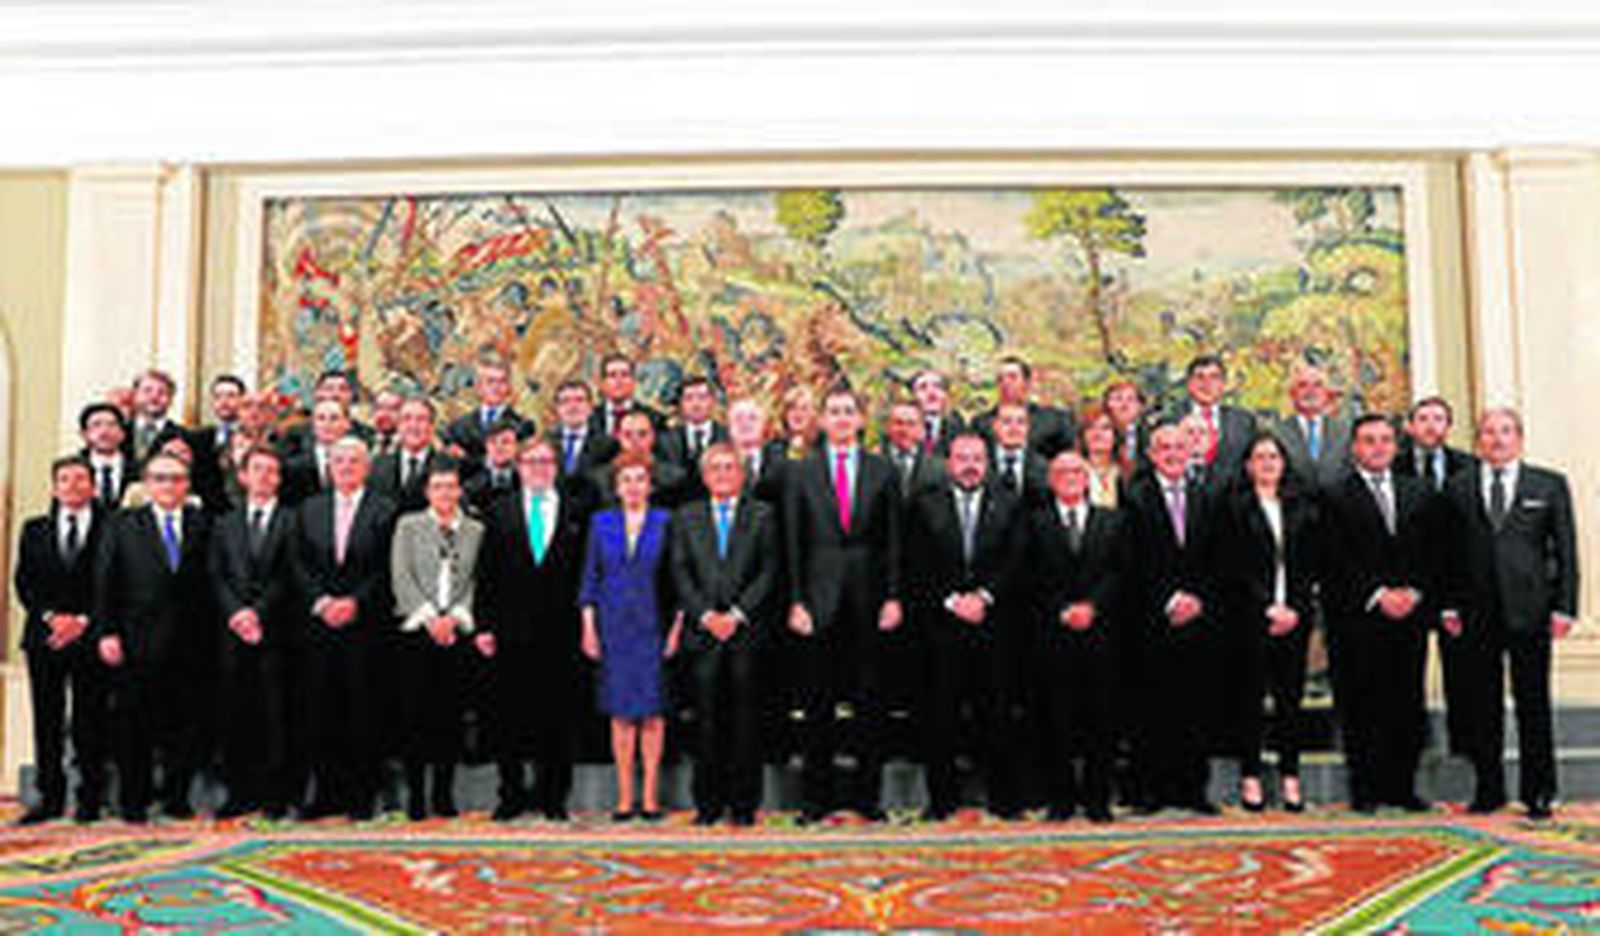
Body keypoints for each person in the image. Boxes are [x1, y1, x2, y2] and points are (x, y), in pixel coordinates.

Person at [1439, 408, 1580, 820]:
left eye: (1505, 432)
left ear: (1519, 437)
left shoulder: (1549, 484)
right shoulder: (1458, 487)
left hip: (1532, 613)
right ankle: (1489, 790)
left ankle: (1539, 791)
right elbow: (1446, 555)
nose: (1497, 440)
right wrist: (1447, 604)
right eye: (1488, 432)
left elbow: (1566, 552)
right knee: (1482, 707)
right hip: (1475, 612)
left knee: (1532, 704)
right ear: (1478, 440)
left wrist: (1565, 607)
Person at [784, 386, 903, 823]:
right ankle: (814, 800)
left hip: (870, 603)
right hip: (817, 604)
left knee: (870, 704)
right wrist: (796, 600)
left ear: (860, 420)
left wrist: (893, 597)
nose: (840, 418)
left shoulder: (883, 471)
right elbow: (793, 543)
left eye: (848, 412)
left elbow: (893, 541)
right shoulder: (801, 473)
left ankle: (868, 800)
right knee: (818, 705)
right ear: (822, 420)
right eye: (832, 412)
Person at [1320, 414, 1437, 813]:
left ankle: (1402, 787)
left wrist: (1414, 592)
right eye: (1369, 440)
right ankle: (1366, 789)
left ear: (1396, 445)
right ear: (1354, 447)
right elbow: (1333, 558)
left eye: (1385, 440)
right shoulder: (1333, 494)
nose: (1378, 447)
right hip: (1358, 617)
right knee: (1362, 704)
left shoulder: (1419, 492)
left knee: (1405, 702)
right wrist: (1378, 594)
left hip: (1410, 617)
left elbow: (1433, 552)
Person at [905, 433, 1025, 821]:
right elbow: (915, 563)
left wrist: (984, 597)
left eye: (977, 458)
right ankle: (942, 801)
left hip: (995, 625)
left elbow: (1017, 560)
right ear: (948, 463)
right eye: (962, 458)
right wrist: (953, 601)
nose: (970, 465)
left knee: (997, 714)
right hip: (942, 627)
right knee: (941, 716)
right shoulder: (924, 505)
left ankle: (1005, 799)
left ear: (987, 463)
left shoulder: (1010, 503)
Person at [92, 453, 212, 822]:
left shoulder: (203, 523)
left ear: (187, 485)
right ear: (146, 484)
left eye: (176, 479)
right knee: (133, 726)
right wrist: (106, 631)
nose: (169, 486)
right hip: (135, 641)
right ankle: (134, 801)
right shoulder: (123, 524)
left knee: (185, 725)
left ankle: (176, 798)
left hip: (192, 643)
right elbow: (105, 581)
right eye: (160, 478)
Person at [478, 438, 592, 822]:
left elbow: (585, 575)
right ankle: (510, 794)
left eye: (545, 461)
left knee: (557, 717)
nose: (538, 468)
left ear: (556, 467)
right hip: (510, 631)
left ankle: (553, 795)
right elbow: (486, 574)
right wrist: (484, 626)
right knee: (508, 716)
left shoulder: (578, 511)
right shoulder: (499, 511)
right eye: (530, 461)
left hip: (562, 632)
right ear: (519, 467)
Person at [670, 444, 779, 827]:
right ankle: (708, 804)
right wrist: (705, 615)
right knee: (705, 723)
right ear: (703, 475)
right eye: (714, 468)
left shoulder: (764, 515)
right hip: (702, 638)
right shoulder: (686, 517)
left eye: (729, 467)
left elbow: (769, 571)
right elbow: (679, 572)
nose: (722, 474)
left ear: (743, 474)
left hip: (746, 633)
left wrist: (736, 614)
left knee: (746, 723)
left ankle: (745, 804)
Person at [291, 436, 397, 820]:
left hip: (365, 627)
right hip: (318, 628)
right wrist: (321, 602)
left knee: (362, 713)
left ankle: (361, 795)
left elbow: (386, 567)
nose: (347, 467)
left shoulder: (386, 509)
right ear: (329, 467)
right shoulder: (309, 509)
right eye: (339, 461)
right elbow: (298, 563)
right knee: (320, 712)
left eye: (354, 461)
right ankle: (324, 795)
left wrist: (355, 602)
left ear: (367, 467)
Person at [1121, 423, 1224, 814]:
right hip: (1151, 620)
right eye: (1163, 448)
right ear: (1151, 454)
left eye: (1179, 447)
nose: (1172, 454)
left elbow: (1219, 559)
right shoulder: (1134, 498)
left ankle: (1192, 790)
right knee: (1151, 709)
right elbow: (1131, 562)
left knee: (1196, 707)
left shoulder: (1207, 497)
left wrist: (1198, 598)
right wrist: (1168, 599)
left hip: (1199, 620)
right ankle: (1149, 791)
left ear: (1190, 451)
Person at [1218, 433, 1318, 813]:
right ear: (1247, 465)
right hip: (1249, 619)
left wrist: (1293, 608)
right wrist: (1266, 608)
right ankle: (1251, 776)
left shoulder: (1301, 508)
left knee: (1290, 699)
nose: (1267, 463)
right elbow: (1231, 568)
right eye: (1259, 457)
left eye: (1274, 456)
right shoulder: (1233, 508)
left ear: (1284, 463)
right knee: (1250, 699)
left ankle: (1291, 776)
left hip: (1295, 617)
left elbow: (1310, 565)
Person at [580, 454, 681, 821]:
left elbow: (678, 578)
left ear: (650, 485)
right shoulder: (600, 523)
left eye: (640, 479)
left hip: (654, 626)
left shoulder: (666, 521)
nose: (634, 486)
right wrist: (588, 627)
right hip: (612, 628)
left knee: (653, 714)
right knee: (620, 714)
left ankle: (651, 797)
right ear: (617, 487)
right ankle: (624, 798)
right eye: (627, 480)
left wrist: (676, 628)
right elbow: (590, 578)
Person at [1027, 451, 1125, 823]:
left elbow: (1120, 572)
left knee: (1101, 719)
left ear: (1088, 479)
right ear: (1050, 480)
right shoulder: (1035, 522)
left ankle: (1098, 798)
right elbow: (1029, 575)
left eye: (1076, 471)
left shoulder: (1112, 521)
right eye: (1061, 472)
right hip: (1052, 633)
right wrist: (1062, 609)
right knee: (1056, 719)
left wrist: (1092, 607)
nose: (1069, 477)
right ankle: (1061, 798)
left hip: (1101, 634)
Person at [390, 460, 489, 819]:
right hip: (418, 631)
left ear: (460, 490)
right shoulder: (409, 526)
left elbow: (478, 579)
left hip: (458, 633)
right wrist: (431, 617)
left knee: (451, 717)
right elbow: (401, 575)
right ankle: (416, 795)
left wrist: (455, 617)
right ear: (427, 492)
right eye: (438, 487)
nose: (445, 493)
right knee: (416, 716)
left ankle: (444, 794)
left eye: (451, 486)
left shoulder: (475, 530)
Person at [14, 457, 109, 824]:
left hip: (90, 636)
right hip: (45, 638)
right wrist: (53, 618)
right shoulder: (34, 529)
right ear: (54, 487)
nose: (72, 486)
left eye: (80, 479)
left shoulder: (111, 527)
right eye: (64, 480)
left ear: (93, 486)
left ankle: (90, 799)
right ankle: (49, 798)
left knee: (90, 721)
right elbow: (25, 583)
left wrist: (83, 621)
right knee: (47, 720)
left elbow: (111, 581)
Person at [208, 445, 299, 819]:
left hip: (277, 632)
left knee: (277, 716)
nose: (264, 477)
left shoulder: (293, 520)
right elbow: (217, 573)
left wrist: (259, 613)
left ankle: (275, 795)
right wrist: (238, 613)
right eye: (257, 470)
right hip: (232, 633)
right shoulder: (224, 523)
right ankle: (237, 792)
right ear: (243, 476)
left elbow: (290, 573)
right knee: (234, 714)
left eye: (271, 471)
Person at [1169, 354, 1256, 481]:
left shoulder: (1244, 422)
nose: (1207, 384)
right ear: (1189, 383)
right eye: (1200, 377)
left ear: (1223, 384)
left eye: (1214, 377)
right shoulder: (1171, 419)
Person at [973, 356, 1076, 457]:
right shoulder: (981, 424)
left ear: (1027, 383)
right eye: (1000, 379)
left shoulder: (1054, 420)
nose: (1006, 383)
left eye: (1012, 377)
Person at [441, 355, 533, 467]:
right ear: (478, 387)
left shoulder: (523, 427)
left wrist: (467, 458)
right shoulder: (458, 428)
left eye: (502, 382)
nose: (496, 387)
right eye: (490, 381)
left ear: (509, 387)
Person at [587, 411, 688, 509]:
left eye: (642, 434)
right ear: (618, 437)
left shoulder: (675, 479)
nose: (635, 440)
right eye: (628, 435)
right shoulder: (598, 480)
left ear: (653, 437)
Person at [1276, 364, 1350, 491]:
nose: (1310, 391)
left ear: (1327, 394)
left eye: (1318, 385)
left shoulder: (1345, 432)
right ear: (1292, 394)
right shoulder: (1275, 433)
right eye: (1302, 385)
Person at [371, 397, 445, 514]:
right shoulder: (376, 466)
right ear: (398, 426)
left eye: (421, 419)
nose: (413, 425)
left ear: (432, 427)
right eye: (407, 419)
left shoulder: (447, 465)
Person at [282, 399, 353, 506]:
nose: (327, 424)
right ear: (313, 425)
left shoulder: (359, 463)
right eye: (321, 418)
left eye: (334, 418)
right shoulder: (293, 466)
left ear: (347, 424)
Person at [1398, 396, 1475, 492]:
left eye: (1438, 419)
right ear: (1411, 427)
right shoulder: (1393, 465)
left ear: (1448, 427)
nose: (1430, 425)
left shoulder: (1469, 465)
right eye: (1423, 419)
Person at [660, 376, 728, 480]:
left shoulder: (728, 436)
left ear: (712, 401)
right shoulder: (666, 440)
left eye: (702, 397)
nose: (696, 404)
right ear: (680, 404)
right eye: (689, 398)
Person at [882, 399, 948, 500]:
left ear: (921, 429)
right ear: (887, 427)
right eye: (899, 423)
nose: (904, 430)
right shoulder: (873, 464)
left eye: (911, 424)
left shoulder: (939, 468)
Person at [590, 354, 666, 439]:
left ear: (634, 382)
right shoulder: (589, 418)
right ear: (602, 383)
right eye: (612, 375)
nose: (619, 381)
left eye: (625, 375)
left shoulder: (653, 419)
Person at [989, 402, 1049, 506]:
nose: (1014, 428)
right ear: (995, 426)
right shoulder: (982, 463)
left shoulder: (1043, 467)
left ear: (1028, 427)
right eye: (1006, 422)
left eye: (1021, 422)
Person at [126, 368, 189, 466]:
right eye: (147, 391)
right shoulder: (120, 430)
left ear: (171, 400)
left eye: (162, 392)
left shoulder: (183, 436)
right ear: (135, 395)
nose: (154, 397)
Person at [463, 418, 523, 516]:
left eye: (506, 442)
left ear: (516, 446)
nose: (499, 447)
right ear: (486, 445)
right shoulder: (467, 475)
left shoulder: (527, 479)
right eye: (493, 442)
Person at [79, 402, 132, 510]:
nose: (104, 431)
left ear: (122, 434)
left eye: (111, 424)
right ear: (84, 435)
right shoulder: (74, 467)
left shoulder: (140, 468)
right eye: (96, 425)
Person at [1078, 404, 1125, 509]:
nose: (1098, 434)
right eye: (1090, 427)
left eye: (1106, 428)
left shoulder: (1128, 473)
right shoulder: (1072, 472)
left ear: (1116, 435)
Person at [910, 369, 965, 457]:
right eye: (923, 387)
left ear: (946, 394)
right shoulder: (901, 429)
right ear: (913, 395)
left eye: (938, 387)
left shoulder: (959, 428)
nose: (931, 393)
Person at [1103, 380, 1149, 477]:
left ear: (1140, 406)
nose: (1125, 404)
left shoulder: (1150, 435)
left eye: (1131, 399)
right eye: (1118, 399)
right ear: (1107, 404)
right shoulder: (1099, 434)